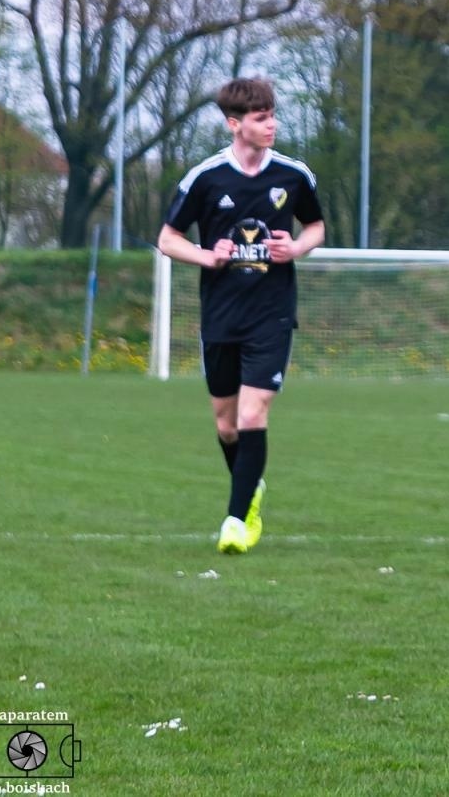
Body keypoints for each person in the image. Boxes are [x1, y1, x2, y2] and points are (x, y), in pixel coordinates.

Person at [157, 77, 324, 555]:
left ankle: (236, 520)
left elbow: (315, 226)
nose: (272, 125)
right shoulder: (206, 178)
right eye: (261, 118)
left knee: (254, 413)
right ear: (234, 125)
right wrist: (207, 256)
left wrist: (296, 248)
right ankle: (251, 487)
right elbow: (168, 239)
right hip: (222, 314)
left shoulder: (293, 175)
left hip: (271, 313)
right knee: (227, 426)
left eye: (273, 116)